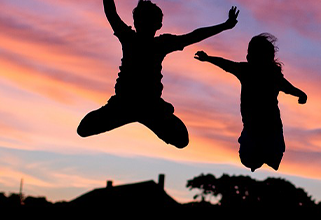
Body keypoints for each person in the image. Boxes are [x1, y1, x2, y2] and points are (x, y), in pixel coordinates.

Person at [77, 0, 240, 149]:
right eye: (143, 20)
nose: (145, 24)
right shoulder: (133, 39)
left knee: (182, 140)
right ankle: (132, 116)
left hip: (148, 106)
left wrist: (225, 25)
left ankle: (138, 116)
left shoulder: (151, 42)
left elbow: (194, 36)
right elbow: (111, 13)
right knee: (83, 129)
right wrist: (224, 25)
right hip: (125, 104)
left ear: (157, 24)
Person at [194, 33, 307, 172]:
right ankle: (258, 158)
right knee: (251, 158)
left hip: (269, 126)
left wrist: (301, 94)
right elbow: (226, 64)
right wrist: (208, 58)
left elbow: (288, 87)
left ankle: (262, 156)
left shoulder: (270, 74)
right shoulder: (247, 70)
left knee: (267, 154)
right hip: (254, 126)